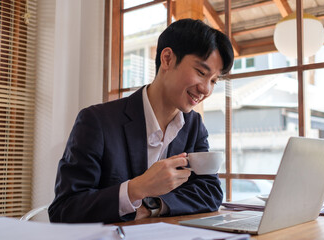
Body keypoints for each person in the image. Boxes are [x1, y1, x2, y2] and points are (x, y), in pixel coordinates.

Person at [48, 18, 234, 224]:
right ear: (167, 59)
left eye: (214, 81)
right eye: (201, 73)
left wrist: (152, 205)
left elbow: (210, 192)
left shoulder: (193, 125)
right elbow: (64, 209)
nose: (206, 89)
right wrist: (137, 188)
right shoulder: (96, 121)